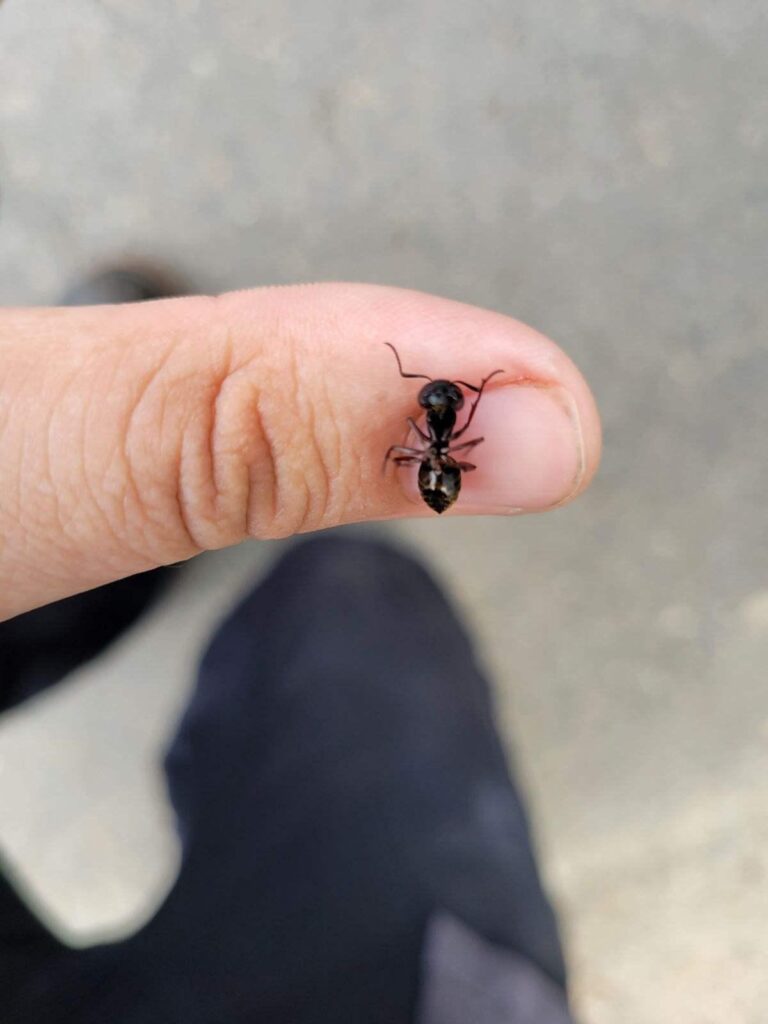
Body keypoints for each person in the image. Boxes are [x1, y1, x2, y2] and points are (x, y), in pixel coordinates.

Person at [0, 271, 601, 1022]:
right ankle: (102, 551)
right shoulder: (438, 440)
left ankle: (92, 555)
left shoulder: (433, 441)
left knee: (347, 609)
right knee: (354, 613)